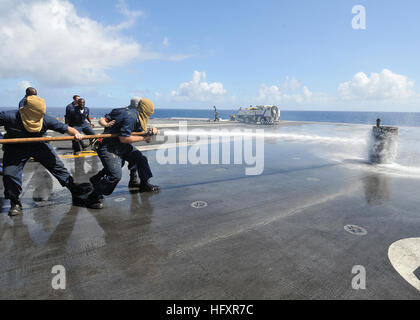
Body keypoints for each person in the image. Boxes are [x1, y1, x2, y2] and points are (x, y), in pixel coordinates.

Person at [0, 95, 90, 216]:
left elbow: (66, 128)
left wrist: (76, 133)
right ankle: (14, 201)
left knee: (58, 168)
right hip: (15, 147)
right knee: (9, 174)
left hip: (39, 145)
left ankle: (75, 191)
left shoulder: (45, 118)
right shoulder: (9, 116)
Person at [85, 98, 160, 209]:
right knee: (115, 175)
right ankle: (93, 196)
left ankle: (144, 184)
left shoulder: (137, 116)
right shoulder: (131, 116)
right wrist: (144, 138)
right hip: (109, 147)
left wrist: (152, 131)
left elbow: (140, 132)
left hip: (122, 146)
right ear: (144, 109)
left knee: (141, 159)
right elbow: (124, 138)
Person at [89, 97, 142, 188]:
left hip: (124, 142)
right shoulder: (120, 111)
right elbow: (102, 120)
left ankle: (133, 179)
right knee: (117, 167)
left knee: (136, 157)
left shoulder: (138, 115)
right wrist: (106, 124)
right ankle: (96, 183)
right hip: (111, 143)